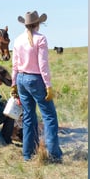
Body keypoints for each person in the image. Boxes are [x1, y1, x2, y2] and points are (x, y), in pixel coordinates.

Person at [11, 10, 63, 163]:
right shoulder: (41, 39)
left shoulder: (18, 39)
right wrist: (48, 85)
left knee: (28, 117)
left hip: (21, 78)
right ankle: (54, 155)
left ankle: (28, 154)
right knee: (50, 117)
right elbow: (43, 65)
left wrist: (14, 84)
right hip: (36, 79)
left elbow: (14, 64)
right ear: (38, 23)